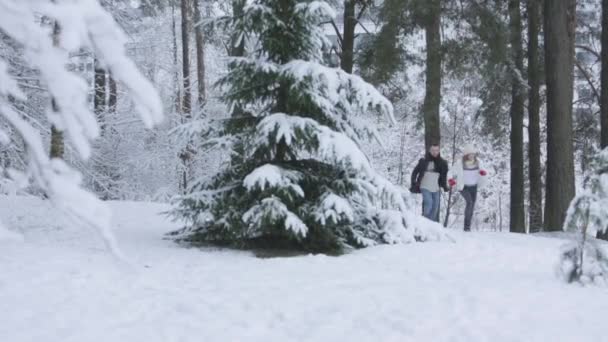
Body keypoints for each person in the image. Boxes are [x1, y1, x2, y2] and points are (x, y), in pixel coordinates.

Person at [448, 144, 488, 231]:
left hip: (474, 187)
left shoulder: (478, 162)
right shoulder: (460, 163)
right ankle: (466, 227)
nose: (472, 156)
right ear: (466, 155)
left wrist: (482, 173)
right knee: (469, 202)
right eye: (470, 154)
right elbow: (450, 172)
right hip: (463, 187)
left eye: (473, 154)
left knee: (472, 206)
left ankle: (468, 226)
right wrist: (450, 180)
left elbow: (484, 170)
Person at [410, 144, 449, 222]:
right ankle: (424, 222)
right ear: (430, 151)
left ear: (439, 151)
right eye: (433, 150)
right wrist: (413, 182)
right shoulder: (423, 161)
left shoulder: (442, 163)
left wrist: (445, 186)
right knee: (429, 204)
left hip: (436, 188)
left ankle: (430, 225)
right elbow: (415, 172)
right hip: (425, 186)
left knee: (435, 207)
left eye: (437, 150)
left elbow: (444, 176)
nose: (435, 152)